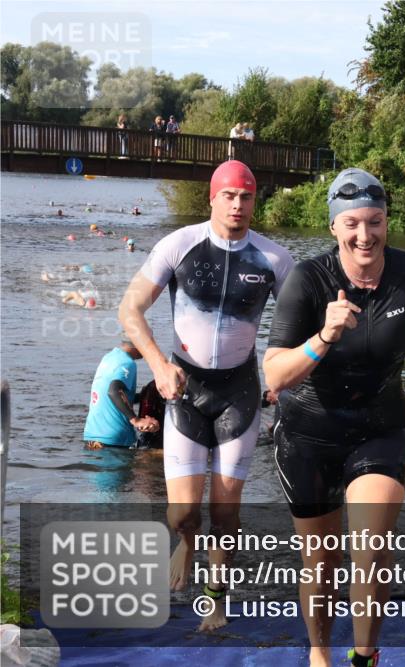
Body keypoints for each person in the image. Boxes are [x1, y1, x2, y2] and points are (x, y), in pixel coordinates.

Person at [263, 168, 405, 667]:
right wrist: (323, 337)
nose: (365, 235)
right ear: (334, 227)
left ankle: (364, 657)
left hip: (380, 426)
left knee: (371, 547)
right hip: (307, 434)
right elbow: (274, 375)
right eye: (352, 223)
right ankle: (319, 654)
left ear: (387, 222)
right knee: (320, 561)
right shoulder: (308, 280)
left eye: (375, 222)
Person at [118, 160, 293, 632]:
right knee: (183, 513)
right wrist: (158, 365)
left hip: (240, 391)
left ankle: (216, 596)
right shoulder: (179, 245)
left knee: (225, 511)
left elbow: (301, 321)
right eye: (229, 196)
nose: (238, 205)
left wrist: (284, 372)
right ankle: (186, 542)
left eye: (246, 197)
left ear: (255, 202)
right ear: (212, 198)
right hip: (185, 389)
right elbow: (130, 308)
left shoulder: (275, 259)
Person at [83, 337, 160, 449]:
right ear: (138, 344)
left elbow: (111, 396)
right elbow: (114, 391)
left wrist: (141, 396)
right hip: (114, 441)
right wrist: (137, 420)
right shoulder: (127, 363)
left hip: (92, 438)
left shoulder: (109, 357)